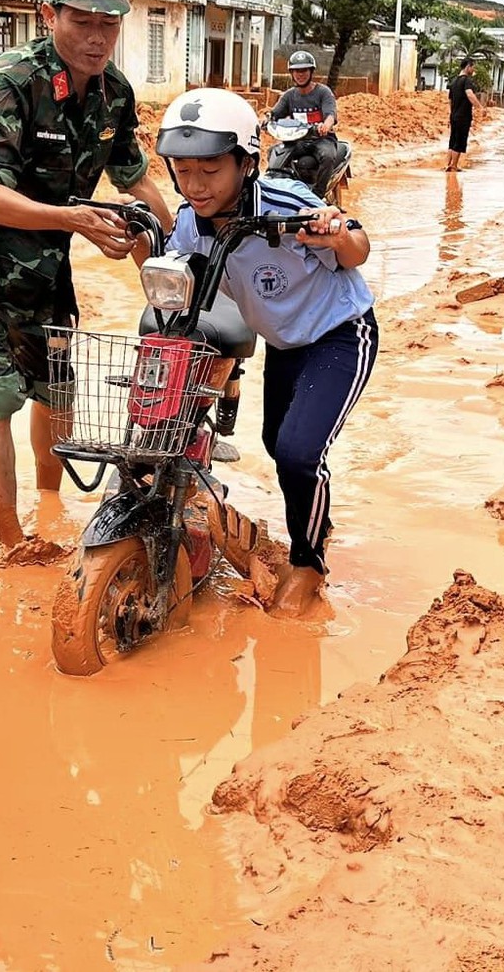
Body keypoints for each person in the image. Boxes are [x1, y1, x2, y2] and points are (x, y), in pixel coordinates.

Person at [0, 0, 174, 549]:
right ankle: (15, 542)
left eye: (109, 23)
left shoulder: (114, 93)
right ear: (49, 15)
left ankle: (50, 505)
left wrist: (176, 258)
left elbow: (135, 179)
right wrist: (75, 219)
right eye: (82, 20)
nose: (96, 38)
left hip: (45, 262)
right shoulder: (10, 81)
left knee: (57, 389)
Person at [141, 88, 376, 616]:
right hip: (285, 344)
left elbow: (357, 244)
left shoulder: (285, 201)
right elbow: (180, 287)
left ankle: (309, 561)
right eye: (181, 171)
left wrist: (334, 233)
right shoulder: (188, 222)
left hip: (341, 333)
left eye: (210, 170)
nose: (194, 185)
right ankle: (316, 510)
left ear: (246, 164)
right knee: (276, 442)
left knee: (298, 453)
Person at [267, 50, 339, 184]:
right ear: (291, 74)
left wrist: (325, 125)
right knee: (274, 152)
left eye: (304, 70)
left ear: (311, 72)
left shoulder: (323, 92)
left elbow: (330, 114)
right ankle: (279, 186)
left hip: (321, 140)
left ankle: (318, 194)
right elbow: (274, 114)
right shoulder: (289, 96)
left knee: (328, 156)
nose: (300, 74)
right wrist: (266, 121)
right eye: (296, 71)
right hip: (298, 141)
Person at [445, 61, 482, 171]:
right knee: (460, 141)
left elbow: (450, 100)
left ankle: (447, 164)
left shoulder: (454, 81)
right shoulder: (466, 81)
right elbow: (470, 94)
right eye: (472, 67)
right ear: (467, 67)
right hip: (463, 116)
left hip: (454, 116)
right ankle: (454, 166)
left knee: (453, 140)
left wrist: (450, 115)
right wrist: (480, 107)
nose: (473, 70)